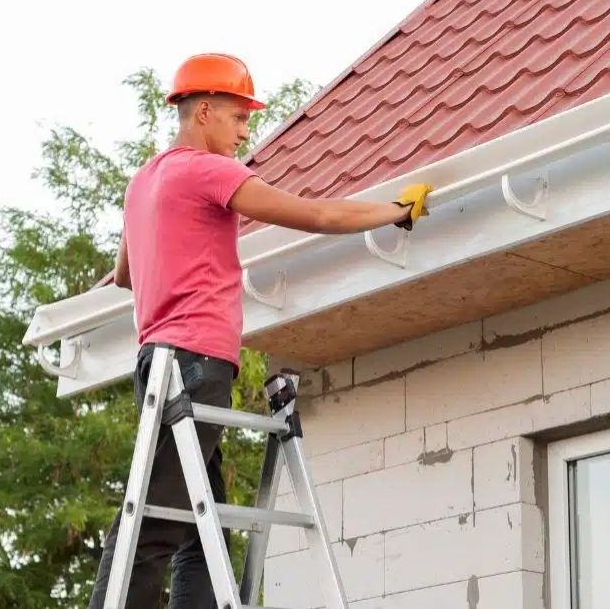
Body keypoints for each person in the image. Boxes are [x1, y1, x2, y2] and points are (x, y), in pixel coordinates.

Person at [87, 52, 432, 608]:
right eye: (238, 119)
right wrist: (393, 212)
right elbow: (316, 216)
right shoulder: (209, 171)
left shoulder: (144, 180)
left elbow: (126, 275)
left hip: (159, 366)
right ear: (204, 111)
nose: (245, 133)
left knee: (201, 533)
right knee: (150, 524)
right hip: (195, 366)